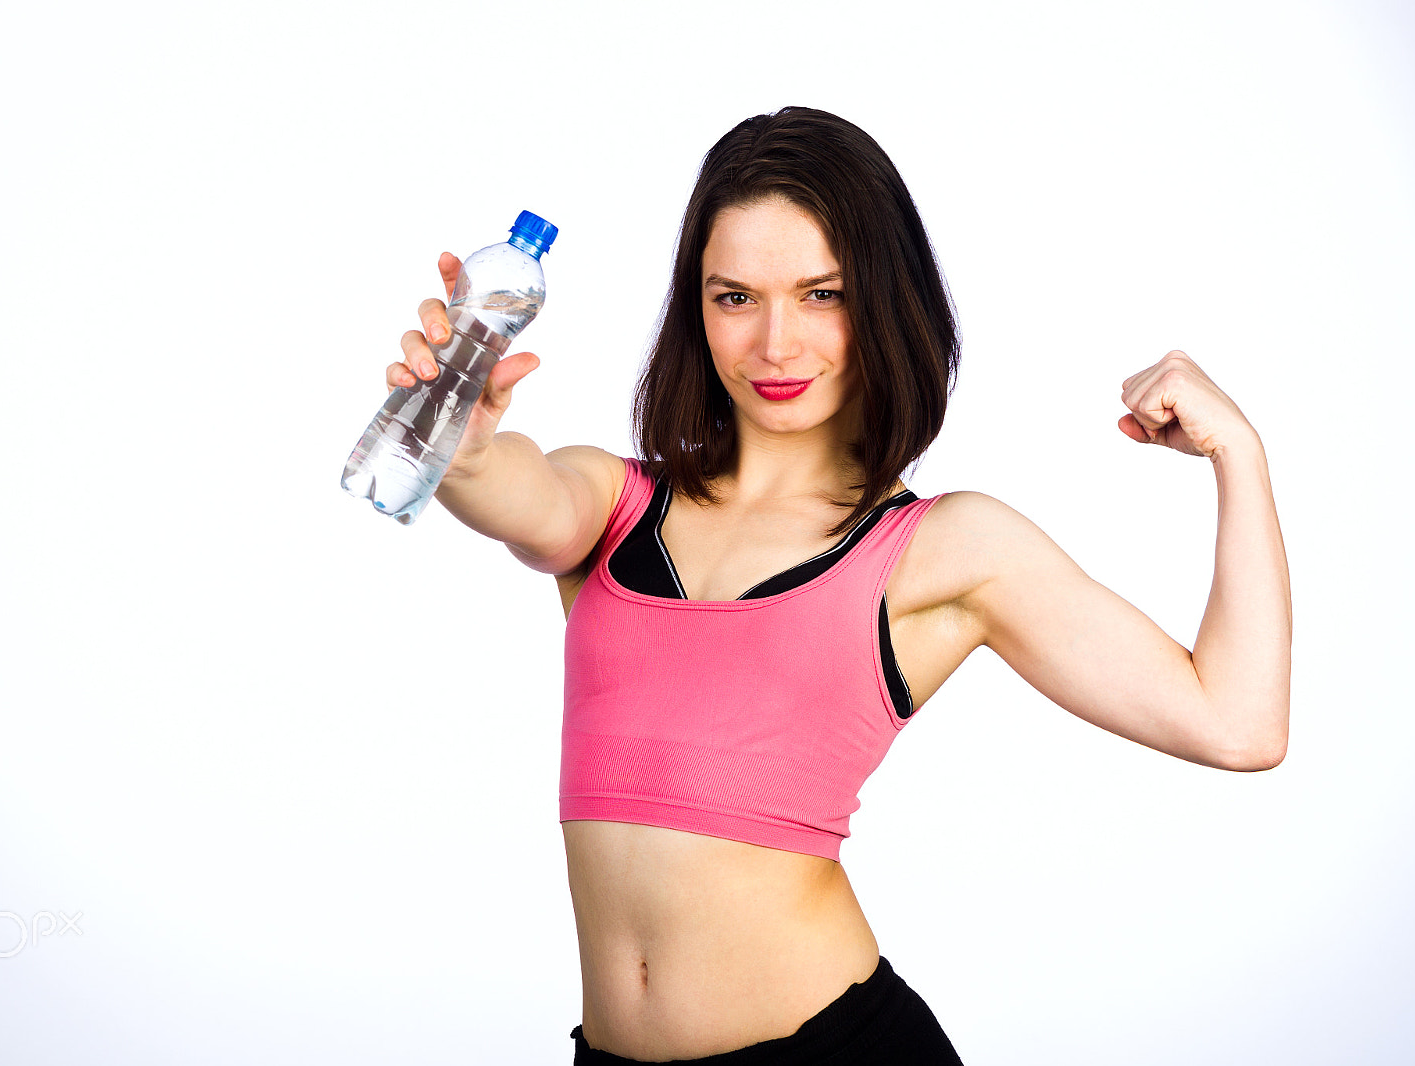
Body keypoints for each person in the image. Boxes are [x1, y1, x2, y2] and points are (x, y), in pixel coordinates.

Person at [385, 107, 1291, 1064]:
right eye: (736, 297)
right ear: (696, 307)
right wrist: (461, 431)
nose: (777, 344)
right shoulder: (609, 504)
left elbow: (1236, 725)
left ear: (883, 303)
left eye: (821, 294)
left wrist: (1241, 452)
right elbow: (500, 484)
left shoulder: (940, 547)